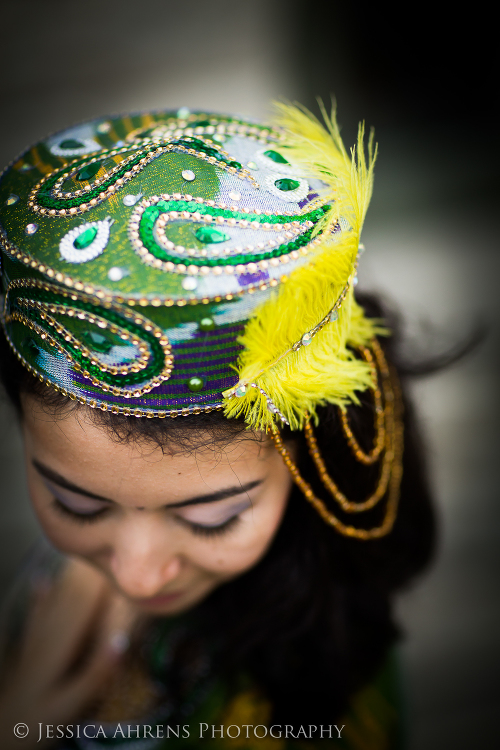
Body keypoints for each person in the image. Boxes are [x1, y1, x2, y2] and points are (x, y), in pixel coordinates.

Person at [0, 102, 435, 749]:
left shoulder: (315, 686)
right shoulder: (58, 593)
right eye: (77, 505)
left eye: (211, 518)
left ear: (308, 453)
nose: (138, 574)